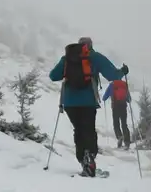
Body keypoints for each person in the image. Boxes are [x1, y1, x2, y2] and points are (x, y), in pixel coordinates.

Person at [49, 37, 127, 177]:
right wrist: (123, 71)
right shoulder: (94, 57)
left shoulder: (67, 58)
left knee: (78, 129)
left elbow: (53, 76)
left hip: (69, 103)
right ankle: (89, 157)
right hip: (88, 102)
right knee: (89, 130)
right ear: (90, 46)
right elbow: (113, 75)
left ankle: (83, 160)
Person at [104, 75, 132, 149]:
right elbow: (129, 99)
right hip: (123, 106)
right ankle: (127, 142)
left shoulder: (112, 85)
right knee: (124, 124)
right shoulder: (124, 84)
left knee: (116, 123)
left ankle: (119, 136)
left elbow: (105, 96)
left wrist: (104, 99)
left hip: (115, 107)